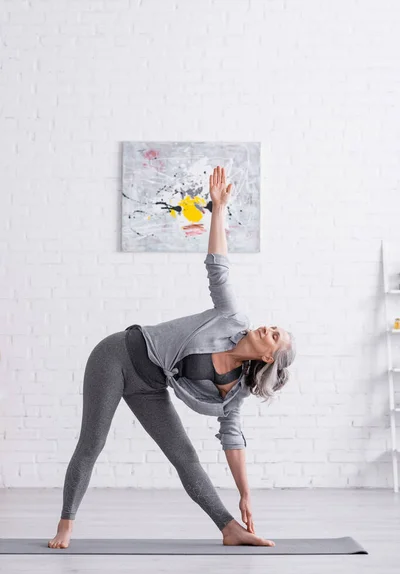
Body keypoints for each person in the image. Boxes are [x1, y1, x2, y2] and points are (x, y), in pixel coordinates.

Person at [48, 166, 296, 549]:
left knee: (185, 456)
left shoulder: (234, 393)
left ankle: (230, 528)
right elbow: (218, 270)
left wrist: (245, 493)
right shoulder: (231, 319)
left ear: (269, 358)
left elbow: (233, 439)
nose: (268, 328)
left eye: (275, 336)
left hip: (150, 385)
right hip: (117, 355)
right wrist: (218, 209)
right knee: (93, 441)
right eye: (272, 326)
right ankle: (66, 523)